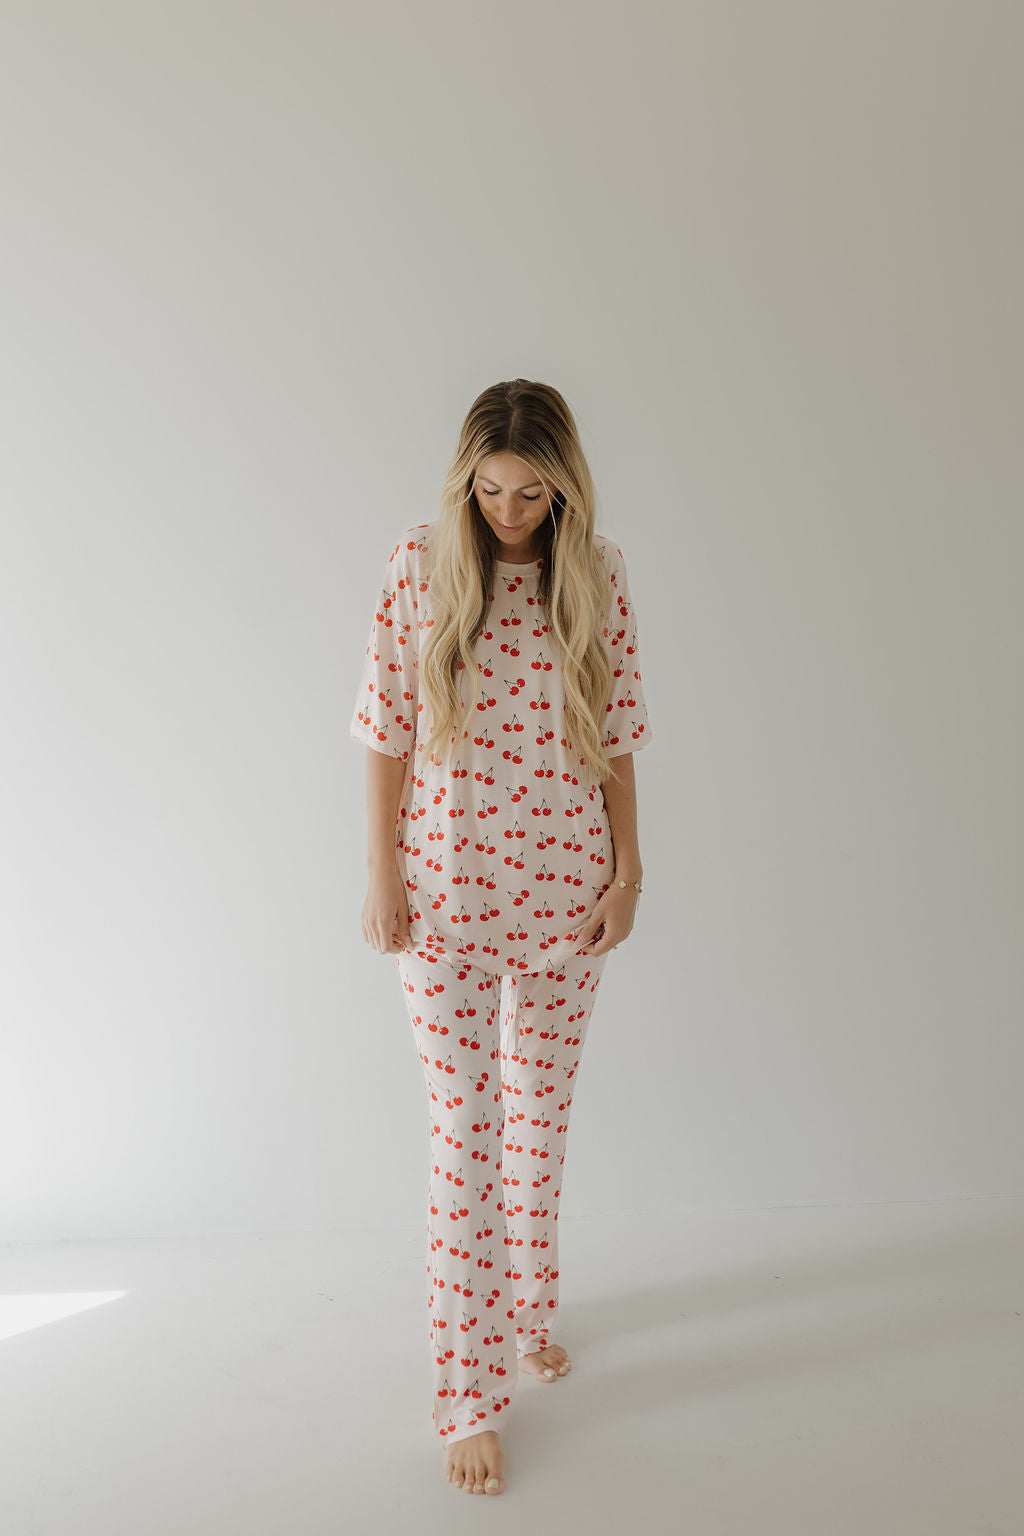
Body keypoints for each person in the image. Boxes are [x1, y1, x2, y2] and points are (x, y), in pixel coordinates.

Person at [349, 379, 652, 1495]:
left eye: (531, 493)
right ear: (463, 482)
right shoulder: (417, 565)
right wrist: (383, 872)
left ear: (563, 488)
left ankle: (527, 1313)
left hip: (567, 891)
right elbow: (384, 728)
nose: (510, 511)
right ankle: (467, 1397)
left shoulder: (598, 571)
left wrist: (629, 872)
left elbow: (618, 729)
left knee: (538, 1123)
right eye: (490, 490)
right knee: (466, 1134)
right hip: (444, 895)